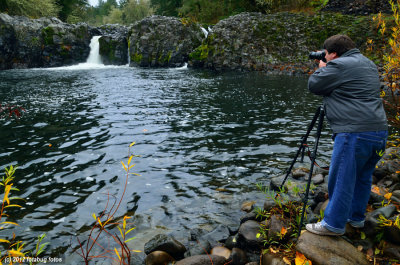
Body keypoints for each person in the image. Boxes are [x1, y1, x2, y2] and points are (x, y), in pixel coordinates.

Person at [306, 34, 388, 236]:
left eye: (325, 54)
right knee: (362, 177)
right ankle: (356, 218)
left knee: (342, 178)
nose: (323, 56)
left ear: (333, 53)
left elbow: (314, 85)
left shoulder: (339, 65)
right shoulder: (367, 63)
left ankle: (332, 224)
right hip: (378, 131)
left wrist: (322, 67)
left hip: (354, 133)